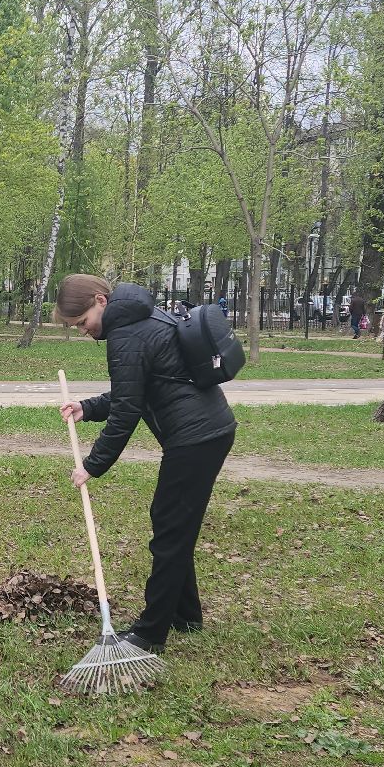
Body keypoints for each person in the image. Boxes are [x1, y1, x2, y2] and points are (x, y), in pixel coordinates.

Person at [55, 274, 237, 655]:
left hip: (196, 438)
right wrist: (87, 408)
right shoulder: (142, 317)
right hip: (208, 430)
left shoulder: (126, 335)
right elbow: (134, 389)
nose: (85, 331)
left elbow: (126, 412)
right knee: (173, 524)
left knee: (170, 530)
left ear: (99, 300)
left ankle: (150, 633)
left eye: (83, 322)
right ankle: (186, 615)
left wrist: (93, 464)